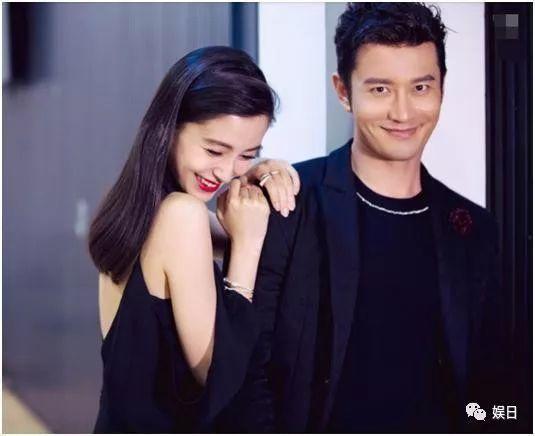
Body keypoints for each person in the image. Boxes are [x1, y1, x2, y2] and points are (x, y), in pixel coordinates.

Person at [243, 3, 513, 433]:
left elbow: (493, 391)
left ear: (441, 88)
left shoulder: (474, 229)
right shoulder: (290, 202)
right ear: (343, 92)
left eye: (420, 87)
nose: (403, 113)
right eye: (381, 89)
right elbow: (246, 368)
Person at [88, 46, 300, 433]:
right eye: (215, 150)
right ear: (170, 128)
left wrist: (262, 172)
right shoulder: (181, 215)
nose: (225, 172)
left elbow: (230, 227)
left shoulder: (138, 207)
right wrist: (247, 246)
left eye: (247, 154)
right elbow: (218, 374)